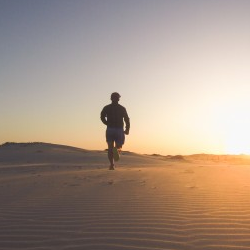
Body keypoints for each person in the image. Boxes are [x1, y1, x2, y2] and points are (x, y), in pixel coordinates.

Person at [101, 92, 130, 170]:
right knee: (119, 146)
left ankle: (112, 165)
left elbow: (102, 116)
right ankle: (116, 149)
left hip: (110, 129)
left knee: (110, 148)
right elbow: (127, 119)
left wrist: (106, 123)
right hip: (119, 129)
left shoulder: (106, 107)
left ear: (111, 98)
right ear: (118, 99)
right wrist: (127, 129)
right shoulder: (122, 108)